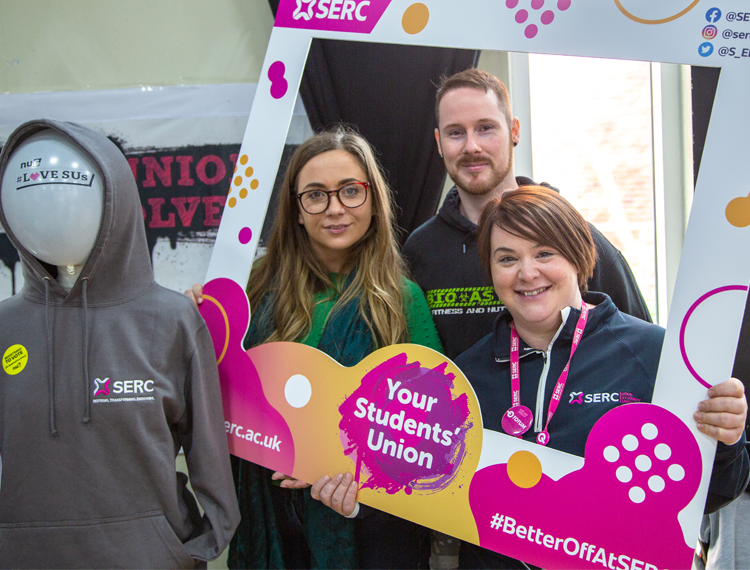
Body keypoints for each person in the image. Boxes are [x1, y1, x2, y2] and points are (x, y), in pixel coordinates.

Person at [453, 186, 749, 569]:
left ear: (578, 256)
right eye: (507, 258)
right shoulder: (465, 376)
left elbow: (715, 493)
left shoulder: (655, 355)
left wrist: (726, 439)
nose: (527, 273)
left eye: (545, 253)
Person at [189, 126, 442, 569]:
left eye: (350, 191)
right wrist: (197, 328)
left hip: (369, 528)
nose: (335, 209)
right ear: (297, 210)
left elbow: (431, 432)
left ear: (373, 200)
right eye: (316, 195)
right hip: (269, 522)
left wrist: (335, 459)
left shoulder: (402, 300)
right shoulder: (252, 291)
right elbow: (221, 395)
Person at [0, 119, 240, 568]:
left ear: (116, 202)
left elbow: (209, 449)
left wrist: (192, 549)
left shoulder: (173, 320)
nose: (52, 210)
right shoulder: (5, 328)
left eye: (74, 189)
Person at [403, 68, 652, 362]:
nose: (472, 146)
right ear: (439, 142)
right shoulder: (419, 251)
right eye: (456, 133)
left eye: (486, 128)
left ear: (515, 131)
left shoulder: (575, 240)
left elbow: (641, 352)